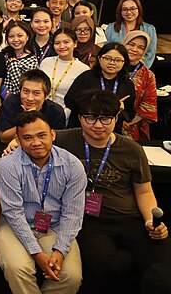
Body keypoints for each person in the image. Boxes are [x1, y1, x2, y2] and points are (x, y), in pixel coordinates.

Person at [54, 90, 171, 291]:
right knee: (108, 264)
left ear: (116, 118)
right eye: (90, 118)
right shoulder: (65, 140)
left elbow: (144, 192)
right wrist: (15, 142)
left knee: (163, 268)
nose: (98, 125)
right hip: (92, 221)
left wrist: (150, 221)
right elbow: (36, 137)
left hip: (131, 218)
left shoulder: (132, 149)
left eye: (106, 118)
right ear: (80, 118)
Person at [0, 111, 85, 294]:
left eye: (42, 135)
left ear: (52, 134)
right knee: (18, 268)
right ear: (18, 141)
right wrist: (37, 253)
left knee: (70, 277)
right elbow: (13, 213)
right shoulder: (8, 165)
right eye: (27, 138)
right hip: (14, 226)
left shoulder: (72, 165)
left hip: (54, 226)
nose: (36, 143)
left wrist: (59, 251)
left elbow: (73, 214)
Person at [65, 42, 136, 132]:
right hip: (82, 128)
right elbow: (69, 100)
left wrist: (120, 110)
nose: (112, 63)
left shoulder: (127, 84)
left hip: (111, 131)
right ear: (99, 58)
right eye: (107, 58)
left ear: (124, 62)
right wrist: (91, 107)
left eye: (117, 60)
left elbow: (130, 113)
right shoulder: (86, 77)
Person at [0, 70, 67, 144]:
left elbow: (58, 141)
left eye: (36, 93)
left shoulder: (56, 112)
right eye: (26, 91)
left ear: (46, 96)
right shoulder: (10, 103)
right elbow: (3, 138)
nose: (29, 98)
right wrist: (24, 121)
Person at [39, 28, 90, 119]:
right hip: (41, 111)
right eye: (57, 43)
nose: (62, 46)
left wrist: (64, 114)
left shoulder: (84, 69)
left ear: (75, 43)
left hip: (66, 115)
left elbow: (81, 100)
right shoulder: (46, 62)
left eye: (66, 42)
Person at [122, 31, 157, 141]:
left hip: (132, 126)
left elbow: (148, 105)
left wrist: (127, 122)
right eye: (131, 44)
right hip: (102, 124)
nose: (134, 49)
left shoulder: (148, 76)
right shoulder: (111, 67)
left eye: (141, 47)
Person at [104, 0, 157, 67]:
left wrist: (140, 68)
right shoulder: (111, 27)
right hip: (114, 67)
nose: (129, 12)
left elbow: (150, 53)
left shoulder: (149, 29)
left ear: (139, 10)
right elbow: (106, 49)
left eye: (132, 9)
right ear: (120, 11)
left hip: (138, 69)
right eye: (125, 9)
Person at [1, 20, 38, 98]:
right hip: (0, 98)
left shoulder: (31, 59)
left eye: (20, 36)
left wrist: (13, 64)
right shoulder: (4, 54)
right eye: (11, 36)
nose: (15, 40)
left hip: (21, 99)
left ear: (27, 37)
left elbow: (21, 85)